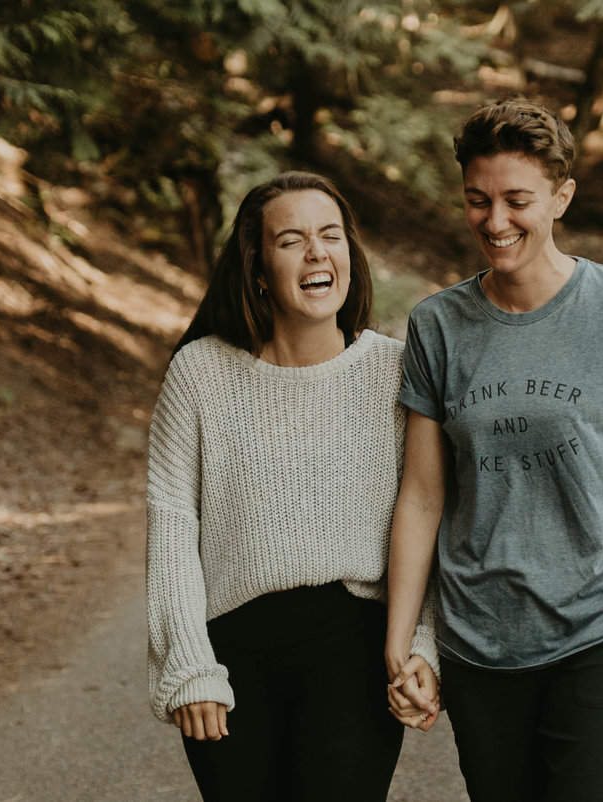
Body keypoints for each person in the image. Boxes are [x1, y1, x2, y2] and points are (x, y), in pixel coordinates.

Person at [385, 99, 603, 801]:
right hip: (482, 642)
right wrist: (402, 640)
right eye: (477, 201)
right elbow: (422, 495)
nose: (496, 221)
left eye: (517, 200)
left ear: (561, 197)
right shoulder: (437, 326)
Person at [145, 171, 439, 802]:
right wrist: (190, 665)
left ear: (350, 260)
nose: (316, 253)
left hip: (353, 653)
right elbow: (171, 522)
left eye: (330, 236)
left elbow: (430, 514)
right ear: (257, 267)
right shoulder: (199, 374)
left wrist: (423, 646)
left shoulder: (396, 372)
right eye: (291, 241)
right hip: (231, 659)